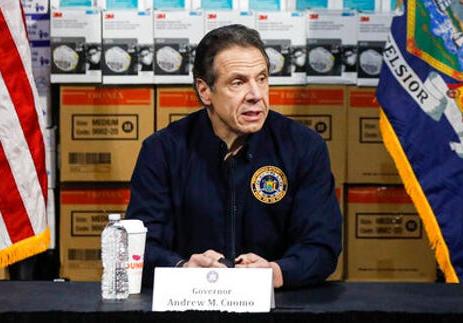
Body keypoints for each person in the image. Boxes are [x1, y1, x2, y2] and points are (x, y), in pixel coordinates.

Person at [125, 24, 341, 289]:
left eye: (261, 78)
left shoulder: (305, 147)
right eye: (238, 82)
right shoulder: (162, 151)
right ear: (205, 91)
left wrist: (276, 272)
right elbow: (139, 247)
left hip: (280, 308)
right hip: (190, 308)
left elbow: (323, 246)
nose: (256, 95)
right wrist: (181, 268)